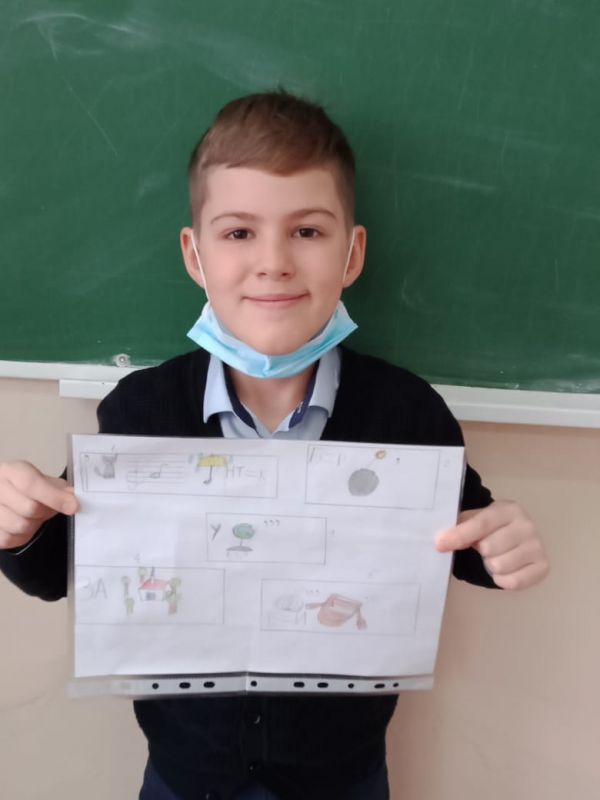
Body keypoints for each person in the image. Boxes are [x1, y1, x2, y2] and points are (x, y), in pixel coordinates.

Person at [0, 90, 549, 800]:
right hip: (186, 775)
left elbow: (462, 536)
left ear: (352, 253)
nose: (273, 262)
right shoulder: (141, 411)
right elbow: (58, 570)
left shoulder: (407, 414)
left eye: (307, 231)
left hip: (342, 776)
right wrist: (20, 528)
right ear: (195, 255)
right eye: (238, 233)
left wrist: (501, 544)